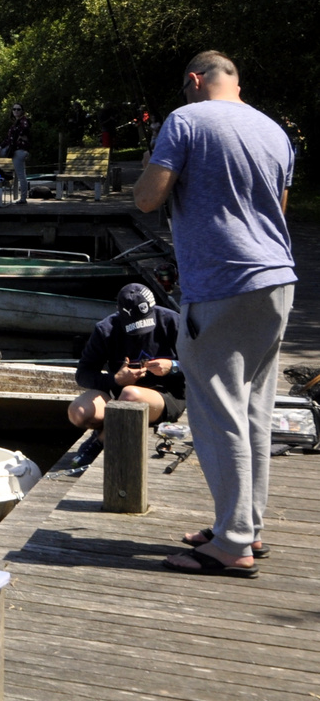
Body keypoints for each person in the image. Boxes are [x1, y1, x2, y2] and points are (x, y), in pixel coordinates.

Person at [133, 50, 297, 579]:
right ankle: (246, 524)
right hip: (277, 281)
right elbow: (279, 208)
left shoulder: (186, 120)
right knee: (253, 409)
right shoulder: (275, 132)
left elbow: (146, 199)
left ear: (196, 81)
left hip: (221, 284)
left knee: (216, 412)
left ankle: (231, 544)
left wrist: (149, 166)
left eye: (186, 88)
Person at [66, 283, 186, 467]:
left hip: (166, 396)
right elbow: (83, 374)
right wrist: (115, 379)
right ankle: (110, 430)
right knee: (78, 412)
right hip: (118, 396)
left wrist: (173, 366)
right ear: (119, 312)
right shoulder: (106, 329)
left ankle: (99, 442)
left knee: (130, 394)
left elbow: (202, 366)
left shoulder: (173, 322)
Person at [0, 103, 31, 200]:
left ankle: (23, 199)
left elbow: (25, 131)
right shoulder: (15, 123)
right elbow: (8, 139)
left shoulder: (24, 121)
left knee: (21, 175)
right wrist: (0, 148)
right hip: (10, 149)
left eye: (18, 109)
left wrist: (21, 135)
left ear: (22, 111)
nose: (16, 111)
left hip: (19, 150)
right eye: (14, 109)